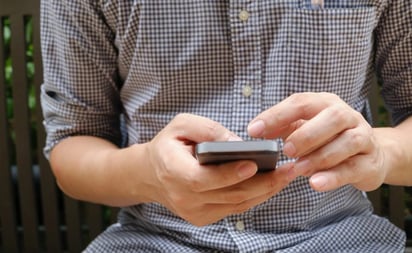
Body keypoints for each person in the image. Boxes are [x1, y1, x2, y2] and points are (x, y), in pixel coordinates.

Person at [40, 0, 411, 252]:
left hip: (340, 238)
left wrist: (380, 153)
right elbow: (74, 143)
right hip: (154, 239)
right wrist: (149, 173)